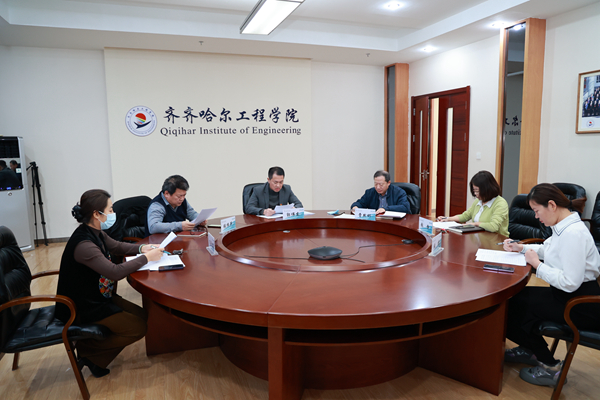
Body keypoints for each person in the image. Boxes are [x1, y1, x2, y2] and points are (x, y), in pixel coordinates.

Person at [56, 189, 164, 377]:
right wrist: (146, 258)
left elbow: (116, 246)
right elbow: (114, 272)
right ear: (96, 214)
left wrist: (142, 248)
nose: (114, 213)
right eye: (111, 209)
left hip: (99, 296)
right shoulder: (84, 245)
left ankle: (95, 359)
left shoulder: (95, 232)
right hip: (82, 307)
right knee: (138, 328)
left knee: (142, 315)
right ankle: (87, 349)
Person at [503, 183, 600, 387]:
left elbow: (569, 282)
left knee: (512, 308)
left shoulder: (573, 233)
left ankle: (550, 366)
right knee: (515, 300)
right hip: (568, 295)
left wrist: (537, 265)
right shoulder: (563, 226)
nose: (536, 217)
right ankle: (530, 349)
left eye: (537, 211)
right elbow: (548, 249)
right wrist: (521, 248)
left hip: (580, 304)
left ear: (552, 205)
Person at [437, 170, 509, 236]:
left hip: (496, 240)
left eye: (477, 191)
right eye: (474, 191)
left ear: (487, 189)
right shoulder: (479, 201)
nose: (475, 194)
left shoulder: (500, 203)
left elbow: (494, 227)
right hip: (479, 238)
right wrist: (448, 219)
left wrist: (474, 224)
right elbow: (465, 216)